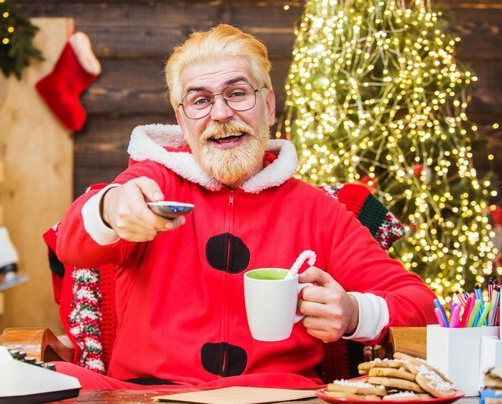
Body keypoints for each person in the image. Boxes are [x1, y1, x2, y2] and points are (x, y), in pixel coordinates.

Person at [55, 23, 436, 389]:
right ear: (182, 120)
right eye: (200, 100)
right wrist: (109, 207)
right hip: (150, 395)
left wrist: (354, 313)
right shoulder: (152, 184)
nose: (220, 113)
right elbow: (71, 244)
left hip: (278, 396)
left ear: (268, 107)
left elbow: (420, 304)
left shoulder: (317, 209)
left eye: (237, 93)